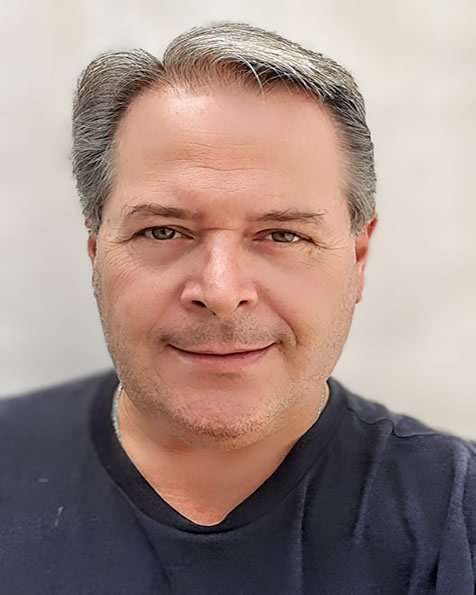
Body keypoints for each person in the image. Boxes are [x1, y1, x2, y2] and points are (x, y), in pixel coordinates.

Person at [0, 22, 474, 595]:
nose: (220, 290)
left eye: (283, 235)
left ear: (357, 257)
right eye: (163, 230)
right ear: (97, 252)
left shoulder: (457, 515)